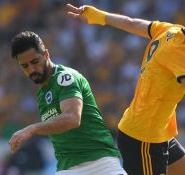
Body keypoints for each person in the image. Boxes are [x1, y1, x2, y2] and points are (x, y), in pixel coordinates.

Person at [66, 1, 185, 174]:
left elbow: (132, 23)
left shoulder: (170, 30)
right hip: (143, 140)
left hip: (158, 135)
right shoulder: (181, 52)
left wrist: (99, 16)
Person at [9, 31, 127, 175]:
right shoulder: (42, 93)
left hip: (99, 164)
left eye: (35, 62)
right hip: (67, 168)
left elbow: (72, 118)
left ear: (46, 54)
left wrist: (32, 129)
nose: (31, 69)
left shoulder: (65, 77)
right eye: (25, 66)